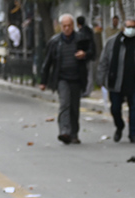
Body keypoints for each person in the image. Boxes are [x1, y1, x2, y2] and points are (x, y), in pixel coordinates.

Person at [40, 14, 93, 144]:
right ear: (61, 27)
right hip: (62, 78)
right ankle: (64, 131)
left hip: (77, 78)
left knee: (74, 107)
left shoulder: (82, 39)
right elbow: (47, 62)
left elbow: (93, 52)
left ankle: (74, 134)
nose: (67, 28)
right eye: (65, 26)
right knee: (65, 104)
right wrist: (43, 81)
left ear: (73, 26)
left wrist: (84, 54)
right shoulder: (55, 42)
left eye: (69, 25)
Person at [97, 18, 135, 143]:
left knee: (134, 108)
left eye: (133, 27)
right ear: (123, 27)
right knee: (115, 108)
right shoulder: (113, 42)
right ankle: (119, 126)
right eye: (128, 26)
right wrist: (101, 79)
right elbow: (104, 61)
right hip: (116, 80)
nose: (130, 29)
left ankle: (133, 134)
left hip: (134, 81)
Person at [76, 16, 98, 96]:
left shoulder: (81, 32)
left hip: (86, 56)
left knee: (88, 74)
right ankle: (87, 90)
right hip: (89, 55)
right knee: (89, 74)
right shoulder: (88, 31)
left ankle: (86, 91)